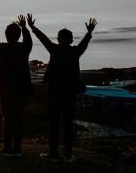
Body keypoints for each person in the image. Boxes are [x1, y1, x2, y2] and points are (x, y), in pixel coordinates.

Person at [28, 17, 98, 163]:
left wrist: (33, 28)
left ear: (58, 39)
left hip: (55, 91)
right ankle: (68, 154)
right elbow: (84, 43)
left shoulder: (54, 49)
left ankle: (53, 154)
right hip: (70, 92)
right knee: (68, 124)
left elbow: (43, 39)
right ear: (71, 40)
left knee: (53, 123)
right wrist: (89, 31)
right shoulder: (75, 51)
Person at [0, 14, 33, 157]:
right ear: (18, 35)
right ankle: (17, 148)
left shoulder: (2, 48)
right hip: (21, 88)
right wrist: (25, 27)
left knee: (7, 118)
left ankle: (7, 147)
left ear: (6, 35)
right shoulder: (24, 48)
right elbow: (29, 41)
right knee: (18, 117)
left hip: (5, 88)